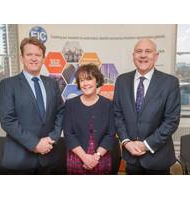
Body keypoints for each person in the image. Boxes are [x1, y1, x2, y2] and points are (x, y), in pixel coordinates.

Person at [0, 37, 64, 174]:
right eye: (29, 54)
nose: (34, 58)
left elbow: (61, 112)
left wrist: (52, 137)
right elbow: (7, 120)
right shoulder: (8, 85)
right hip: (19, 160)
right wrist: (35, 144)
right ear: (22, 57)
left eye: (38, 55)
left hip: (49, 158)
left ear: (43, 58)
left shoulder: (52, 84)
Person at [114, 38, 181, 175]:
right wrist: (126, 142)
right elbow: (117, 114)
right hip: (131, 157)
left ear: (156, 56)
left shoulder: (170, 83)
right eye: (139, 51)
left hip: (158, 159)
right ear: (133, 56)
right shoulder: (121, 81)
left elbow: (171, 120)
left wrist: (146, 145)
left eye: (148, 51)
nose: (143, 55)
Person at [63, 63, 115, 174]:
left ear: (97, 81)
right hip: (77, 158)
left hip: (101, 158)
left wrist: (96, 156)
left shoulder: (108, 105)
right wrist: (84, 157)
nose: (85, 83)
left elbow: (110, 134)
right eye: (81, 80)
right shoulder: (70, 104)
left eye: (89, 79)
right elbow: (68, 134)